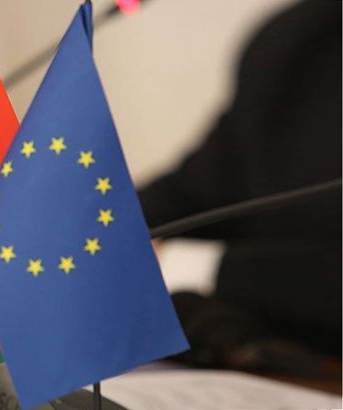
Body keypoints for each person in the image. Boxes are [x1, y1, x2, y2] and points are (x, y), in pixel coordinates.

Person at [138, 0, 341, 369]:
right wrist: (91, 233)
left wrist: (193, 265)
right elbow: (195, 191)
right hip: (255, 369)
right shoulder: (303, 35)